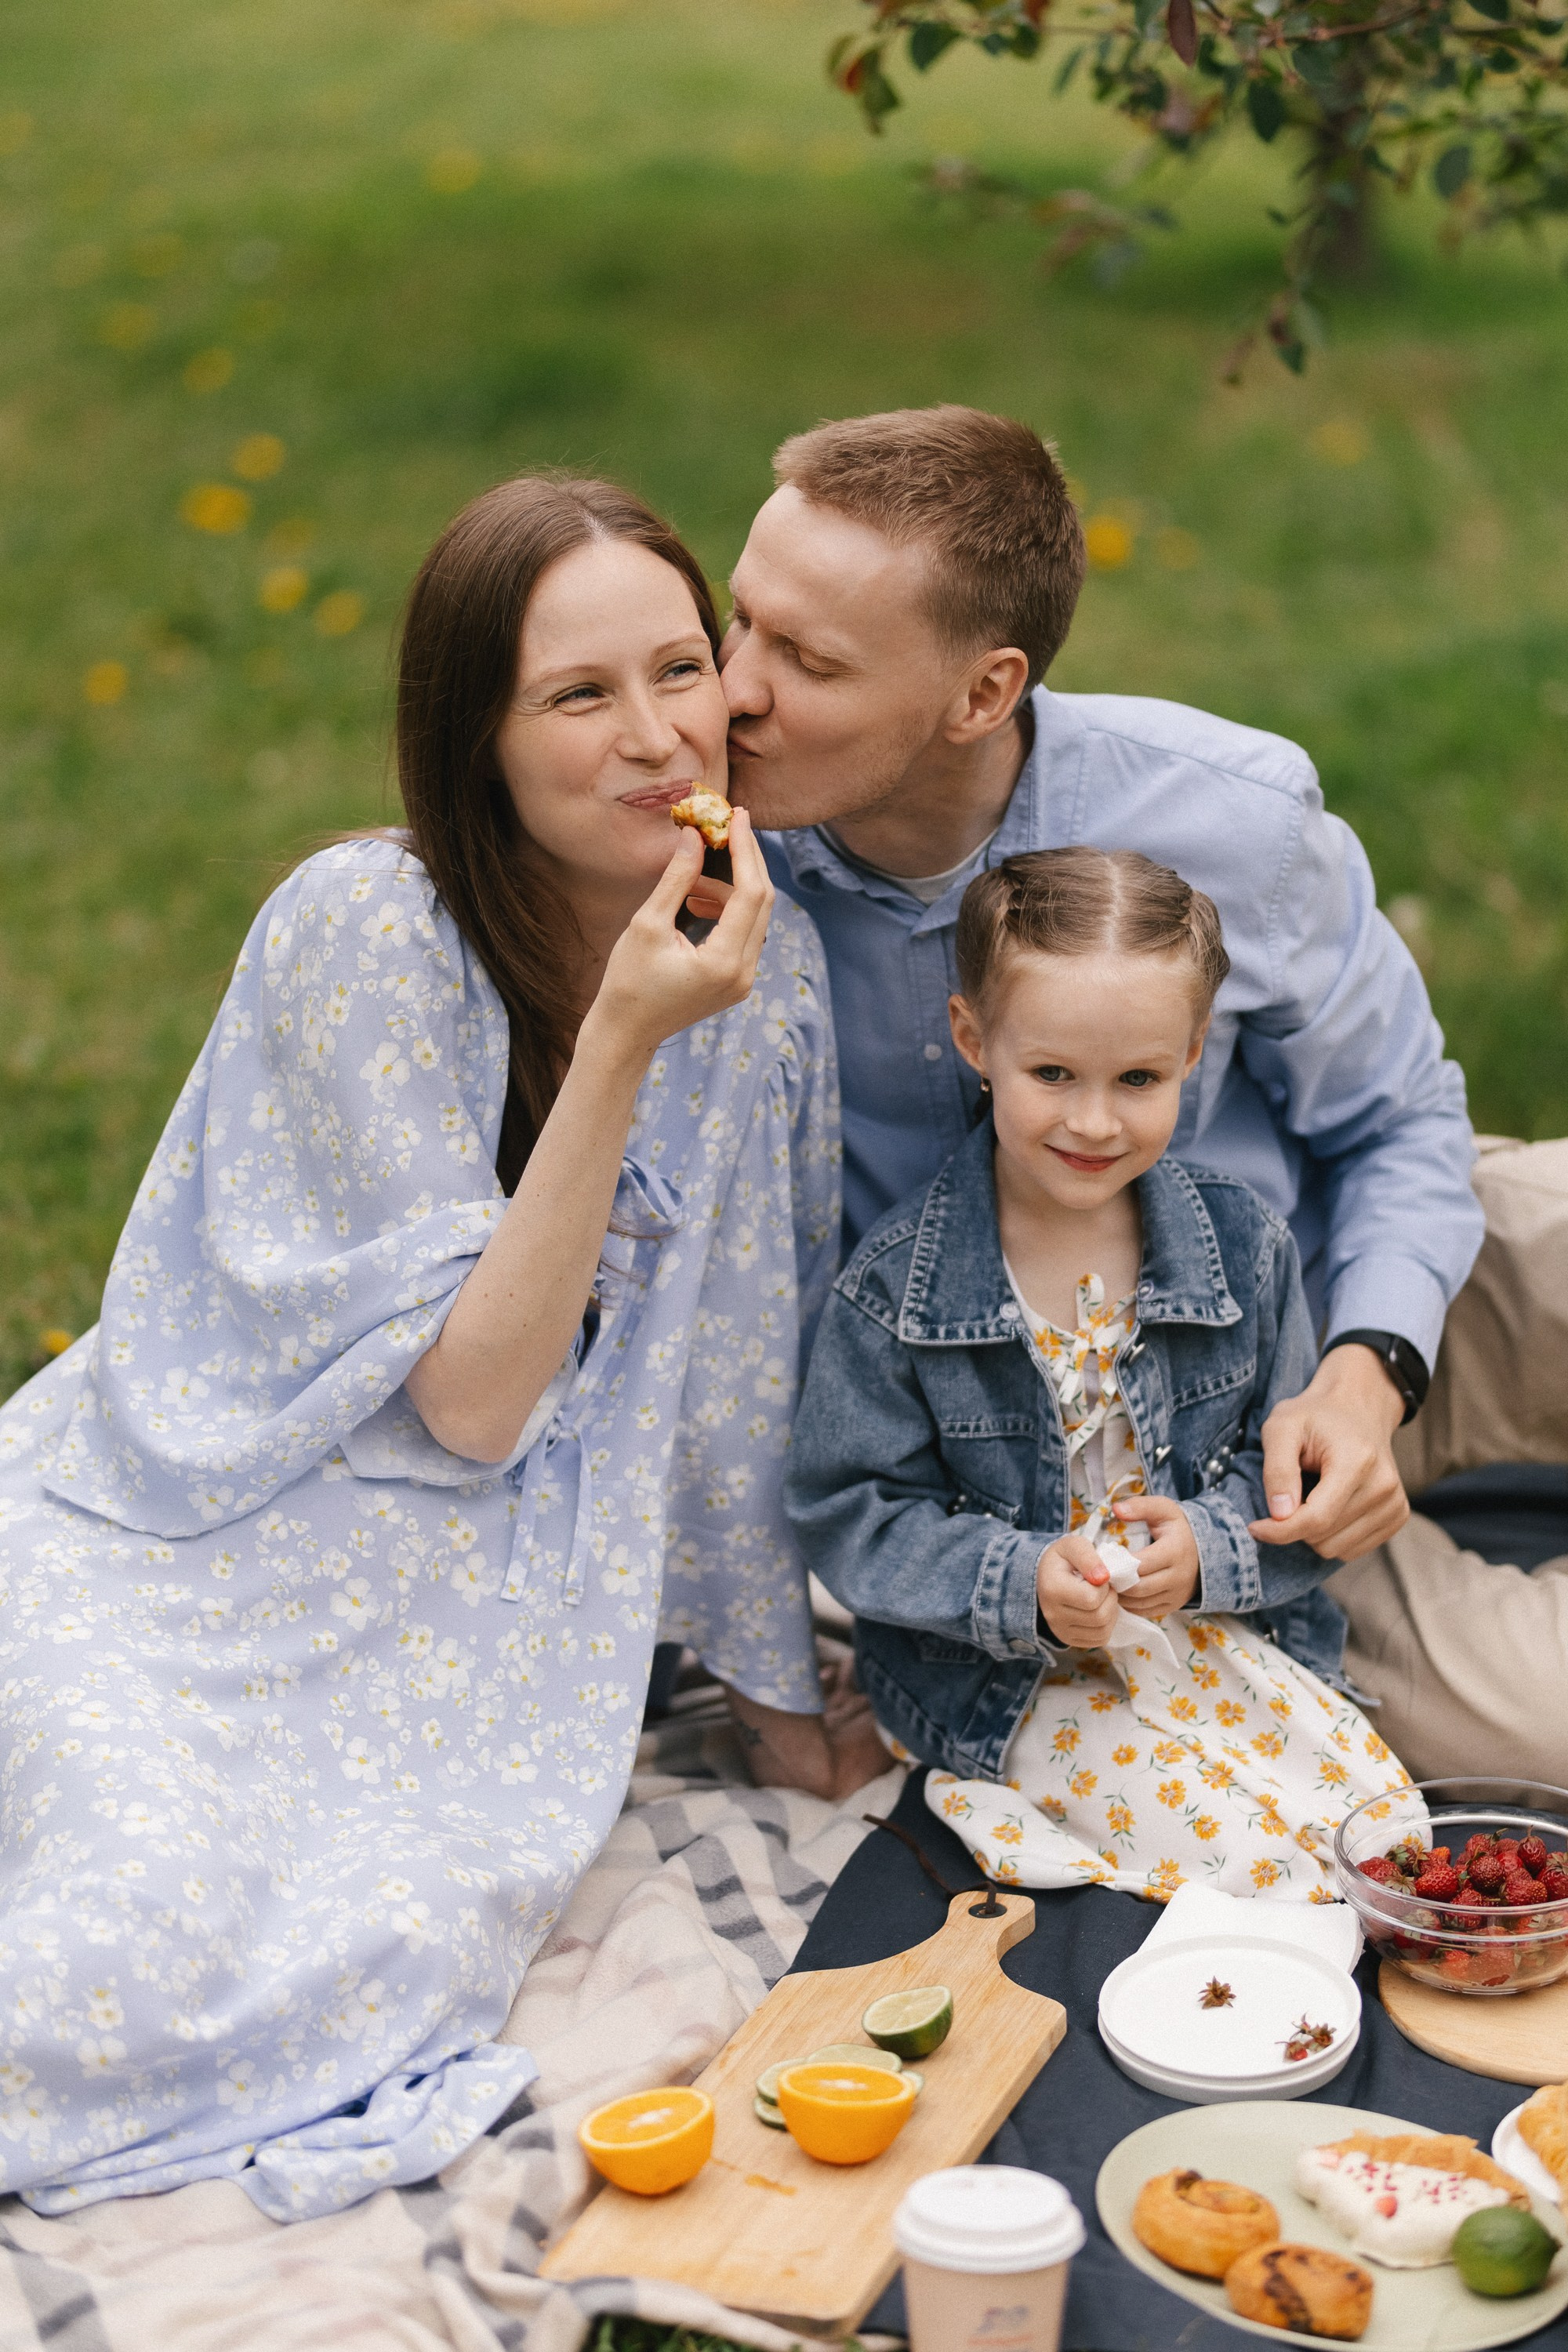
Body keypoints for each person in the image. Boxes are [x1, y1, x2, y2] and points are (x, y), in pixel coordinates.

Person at [0, 475, 870, 2220]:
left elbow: (730, 1373)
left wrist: (777, 1694)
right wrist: (623, 1035)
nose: (652, 737)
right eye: (576, 696)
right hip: (202, 1539)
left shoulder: (761, 977)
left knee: (334, 1938)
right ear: (474, 737)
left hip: (483, 1615)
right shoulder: (365, 932)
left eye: (680, 670)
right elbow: (472, 1406)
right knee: (104, 1951)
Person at [721, 405, 1484, 1569]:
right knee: (1523, 1719)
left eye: (808, 662)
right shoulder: (714, 876)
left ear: (983, 696)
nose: (730, 692)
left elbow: (1401, 1123)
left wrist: (1368, 1376)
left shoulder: (1238, 821)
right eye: (738, 622)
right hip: (1144, 1482)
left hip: (1329, 1331)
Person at [786, 848, 1410, 1900]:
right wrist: (1019, 1579)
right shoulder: (897, 1289)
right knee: (1249, 1862)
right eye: (1053, 1075)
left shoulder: (1241, 1249)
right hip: (1008, 1672)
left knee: (1380, 1835)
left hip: (1202, 1631)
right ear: (975, 1040)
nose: (1093, 1121)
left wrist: (1208, 1550)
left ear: (1193, 1056)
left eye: (1139, 1079)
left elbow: (1291, 1485)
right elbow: (852, 1516)